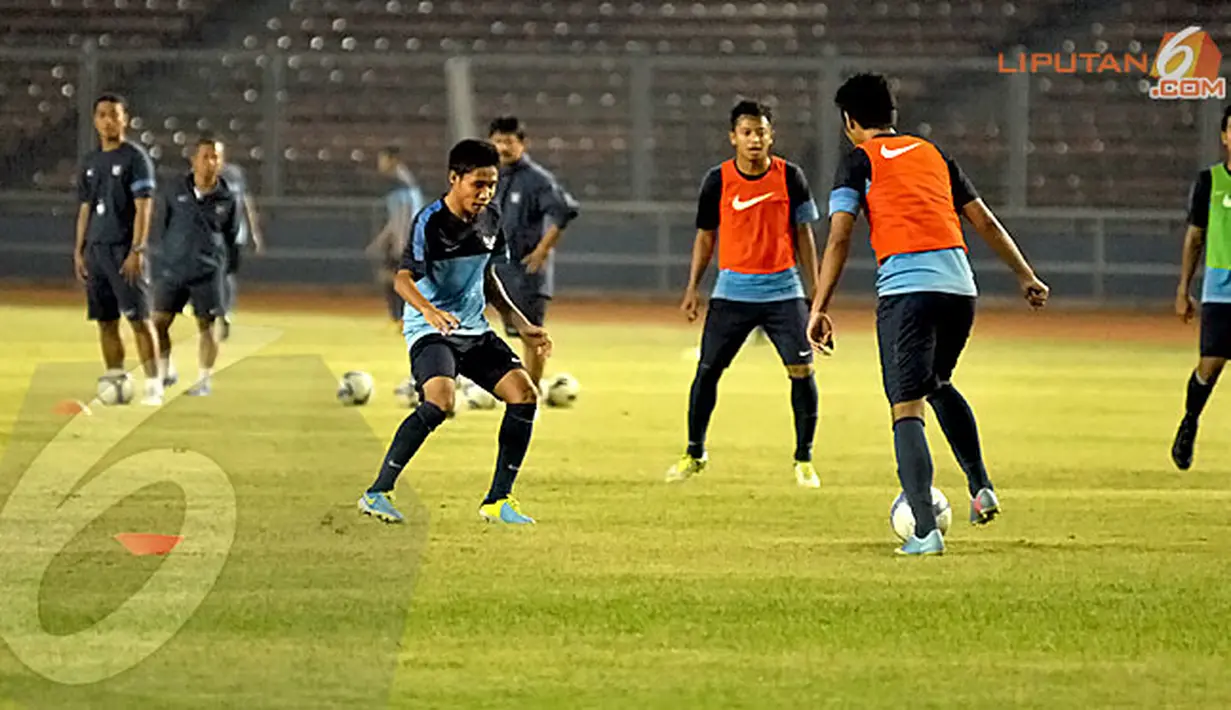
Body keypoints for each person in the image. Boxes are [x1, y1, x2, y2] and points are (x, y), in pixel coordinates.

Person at [807, 73, 1049, 556]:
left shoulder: (858, 161)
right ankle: (981, 487)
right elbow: (983, 220)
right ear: (891, 116)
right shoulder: (935, 154)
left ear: (850, 121)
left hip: (907, 293)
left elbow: (838, 235)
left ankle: (924, 530)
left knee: (906, 406)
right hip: (961, 289)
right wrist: (1025, 275)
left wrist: (819, 306)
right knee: (936, 382)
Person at [357, 139, 552, 526]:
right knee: (440, 402)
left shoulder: (492, 219)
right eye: (478, 184)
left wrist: (519, 323)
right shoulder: (429, 222)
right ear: (454, 179)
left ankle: (498, 500)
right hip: (430, 330)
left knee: (524, 395)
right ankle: (378, 492)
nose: (485, 193)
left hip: (473, 329)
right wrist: (429, 312)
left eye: (492, 185)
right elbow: (402, 279)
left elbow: (489, 276)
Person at [665, 100, 823, 489]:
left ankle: (803, 458)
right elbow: (705, 238)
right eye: (747, 132)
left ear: (772, 136)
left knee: (801, 371)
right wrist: (693, 288)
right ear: (733, 137)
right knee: (707, 371)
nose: (755, 139)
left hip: (783, 290)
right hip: (732, 291)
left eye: (761, 132)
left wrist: (817, 294)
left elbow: (804, 236)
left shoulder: (791, 177)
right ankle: (694, 452)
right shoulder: (717, 181)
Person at [73, 92, 164, 405]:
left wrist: (137, 249)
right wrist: (79, 249)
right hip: (96, 251)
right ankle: (115, 380)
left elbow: (144, 207)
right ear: (95, 121)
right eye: (102, 114)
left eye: (114, 114)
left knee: (139, 318)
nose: (108, 120)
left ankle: (154, 384)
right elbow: (85, 207)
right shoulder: (90, 161)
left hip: (123, 249)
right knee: (105, 321)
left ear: (125, 118)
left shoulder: (135, 158)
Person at [488, 116, 580, 387]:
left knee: (531, 333)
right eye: (498, 141)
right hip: (493, 268)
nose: (503, 147)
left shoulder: (537, 179)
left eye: (509, 141)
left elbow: (564, 211)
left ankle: (531, 394)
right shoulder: (490, 175)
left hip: (525, 270)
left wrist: (542, 250)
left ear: (523, 144)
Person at [151, 136, 240, 397]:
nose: (211, 162)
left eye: (216, 157)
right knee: (158, 323)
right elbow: (163, 225)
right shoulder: (174, 189)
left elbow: (232, 237)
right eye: (206, 156)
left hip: (207, 271)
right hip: (174, 269)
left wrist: (224, 270)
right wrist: (171, 253)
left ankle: (203, 381)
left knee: (206, 326)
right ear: (194, 160)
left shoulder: (227, 197)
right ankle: (167, 371)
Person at [1170, 104, 1231, 470]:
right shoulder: (1210, 182)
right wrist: (1183, 289)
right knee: (1210, 366)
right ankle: (1190, 422)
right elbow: (1195, 237)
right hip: (1221, 291)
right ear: (1225, 137)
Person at [367, 147, 426, 325]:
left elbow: (403, 214)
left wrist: (397, 241)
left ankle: (404, 317)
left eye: (382, 159)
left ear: (392, 160)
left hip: (405, 239)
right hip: (407, 237)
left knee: (394, 277)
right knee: (393, 277)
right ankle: (403, 316)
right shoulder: (405, 180)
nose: (380, 164)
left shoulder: (399, 183)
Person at [218, 149, 265, 341]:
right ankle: (225, 311)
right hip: (226, 232)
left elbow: (245, 202)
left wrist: (254, 232)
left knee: (222, 272)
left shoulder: (233, 174)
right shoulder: (232, 173)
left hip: (228, 233)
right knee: (224, 273)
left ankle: (222, 310)